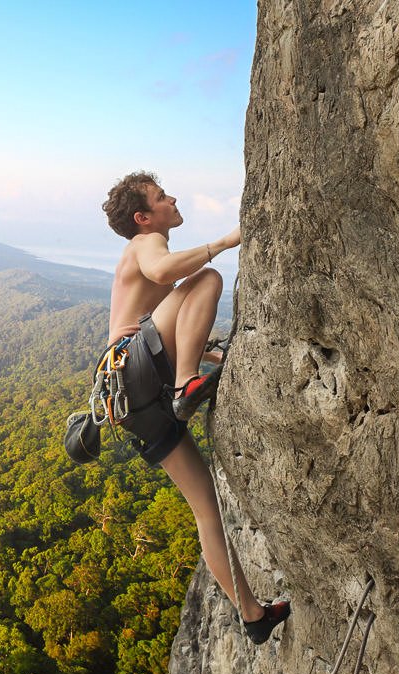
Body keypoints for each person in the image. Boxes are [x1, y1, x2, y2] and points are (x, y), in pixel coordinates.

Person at [101, 170, 289, 644]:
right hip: (141, 373)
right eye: (162, 197)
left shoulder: (146, 247)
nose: (173, 199)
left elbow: (165, 322)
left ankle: (252, 615)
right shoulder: (147, 244)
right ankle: (187, 385)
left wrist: (211, 353)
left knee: (206, 507)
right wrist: (227, 240)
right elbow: (168, 275)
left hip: (129, 398)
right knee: (207, 278)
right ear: (144, 217)